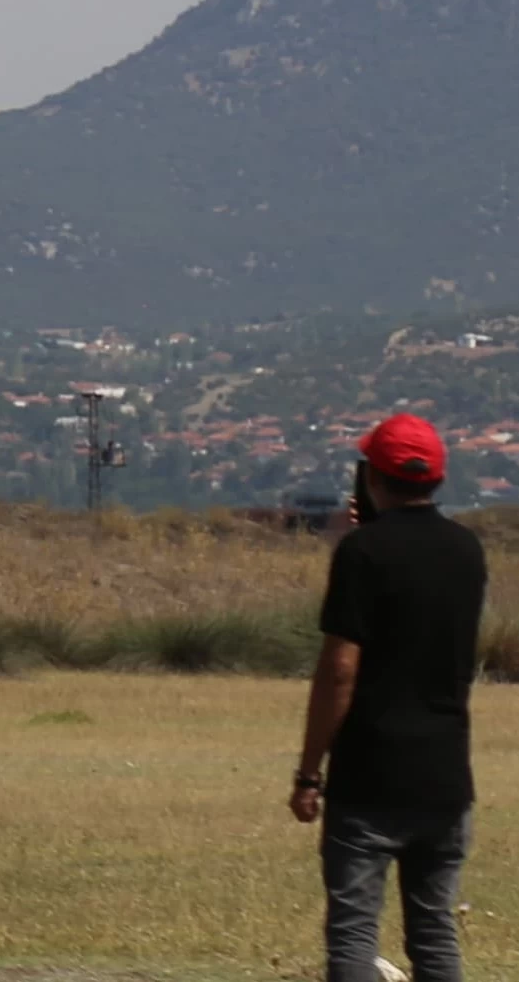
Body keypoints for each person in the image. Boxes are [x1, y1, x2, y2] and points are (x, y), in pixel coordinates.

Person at [296, 410, 486, 982]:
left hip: (370, 776)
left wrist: (309, 773)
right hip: (445, 776)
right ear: (438, 478)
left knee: (354, 931)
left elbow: (340, 669)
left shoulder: (362, 554)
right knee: (434, 934)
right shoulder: (467, 551)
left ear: (371, 478)